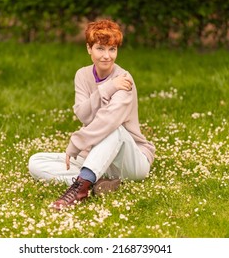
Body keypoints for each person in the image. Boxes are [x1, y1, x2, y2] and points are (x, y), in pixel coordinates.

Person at [28, 19, 155, 210]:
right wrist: (107, 88)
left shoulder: (124, 80)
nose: (107, 56)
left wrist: (77, 142)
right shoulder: (82, 75)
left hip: (130, 161)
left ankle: (79, 190)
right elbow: (83, 114)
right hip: (96, 154)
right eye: (100, 48)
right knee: (35, 162)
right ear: (89, 49)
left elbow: (108, 121)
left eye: (112, 49)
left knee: (115, 130)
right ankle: (96, 181)